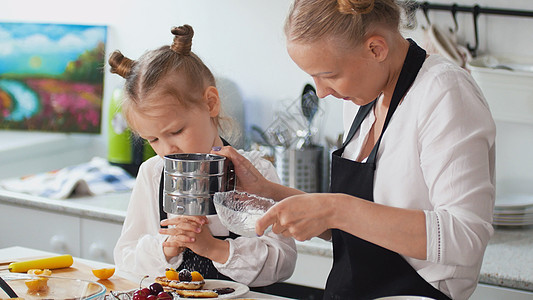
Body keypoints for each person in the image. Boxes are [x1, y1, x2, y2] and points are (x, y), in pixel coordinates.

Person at [214, 0, 495, 299]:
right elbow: (358, 231)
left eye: (330, 75)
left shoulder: (444, 91)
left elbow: (466, 237)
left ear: (376, 49)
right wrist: (266, 190)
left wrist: (335, 208)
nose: (321, 92)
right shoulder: (366, 97)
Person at [108, 24, 296, 287]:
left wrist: (213, 248)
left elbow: (283, 262)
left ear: (210, 103)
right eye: (153, 140)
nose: (166, 149)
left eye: (176, 131)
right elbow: (125, 259)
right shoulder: (152, 174)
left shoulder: (256, 172)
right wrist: (168, 247)